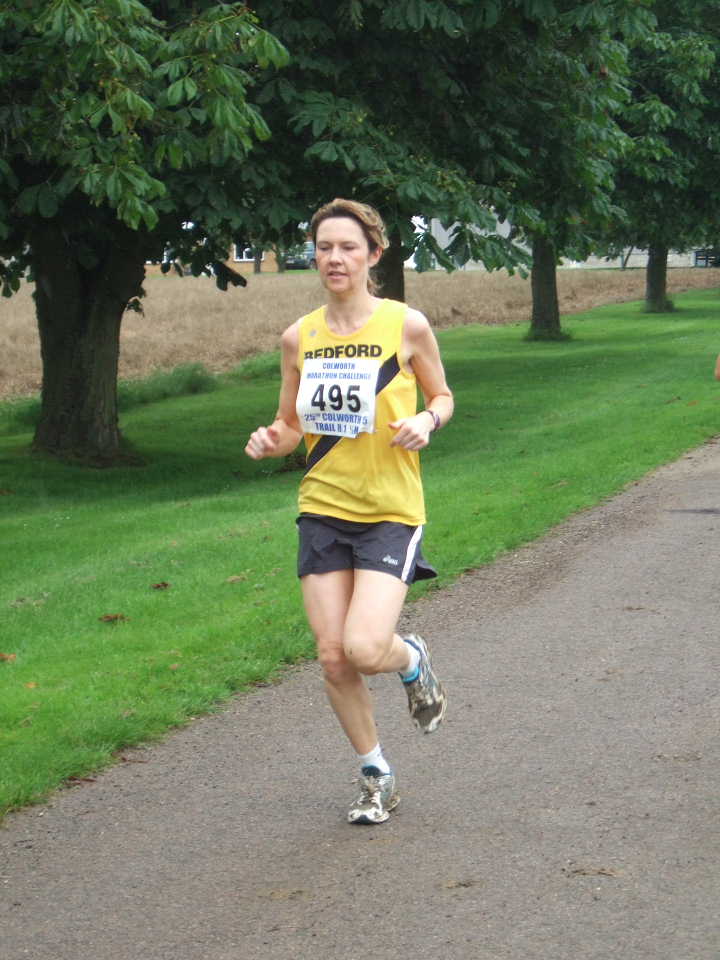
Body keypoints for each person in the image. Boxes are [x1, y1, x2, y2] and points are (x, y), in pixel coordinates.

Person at [245, 198, 454, 824]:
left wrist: (425, 419)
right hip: (323, 507)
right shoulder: (299, 337)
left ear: (373, 255)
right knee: (333, 656)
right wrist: (272, 440)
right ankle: (376, 774)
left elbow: (443, 396)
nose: (334, 258)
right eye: (324, 247)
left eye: (348, 247)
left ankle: (410, 657)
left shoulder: (405, 326)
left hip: (390, 509)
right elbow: (290, 424)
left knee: (365, 647)